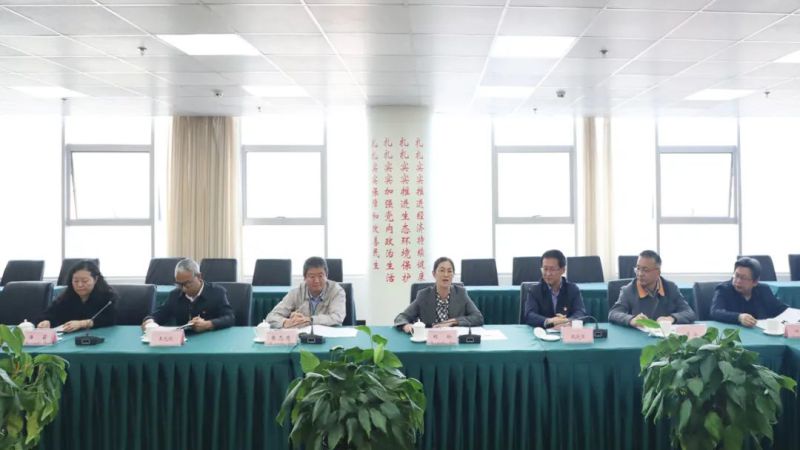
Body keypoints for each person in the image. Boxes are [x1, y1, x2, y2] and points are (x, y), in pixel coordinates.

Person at [142, 258, 234, 332]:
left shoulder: (217, 292)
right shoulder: (175, 295)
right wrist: (149, 321)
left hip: (211, 340)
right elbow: (159, 314)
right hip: (184, 341)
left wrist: (208, 324)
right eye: (179, 284)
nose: (183, 288)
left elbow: (229, 318)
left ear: (199, 276)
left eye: (187, 283)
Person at [395, 256, 484, 333]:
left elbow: (478, 317)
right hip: (430, 341)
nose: (446, 274)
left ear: (453, 275)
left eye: (449, 271)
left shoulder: (460, 293)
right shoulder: (423, 295)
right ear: (434, 274)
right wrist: (406, 326)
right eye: (442, 270)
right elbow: (401, 317)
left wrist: (454, 321)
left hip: (453, 341)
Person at [609, 250, 696, 327]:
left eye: (645, 270)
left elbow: (689, 312)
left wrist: (671, 318)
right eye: (638, 268)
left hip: (663, 336)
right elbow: (613, 313)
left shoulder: (671, 288)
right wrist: (632, 320)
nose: (640, 274)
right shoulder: (628, 290)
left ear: (658, 272)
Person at [37, 260, 116, 332]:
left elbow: (110, 318)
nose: (80, 285)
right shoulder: (66, 297)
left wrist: (82, 323)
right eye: (76, 281)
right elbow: (49, 314)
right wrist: (46, 321)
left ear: (95, 279)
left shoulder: (107, 297)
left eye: (85, 281)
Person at [266, 256, 346, 328]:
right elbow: (271, 317)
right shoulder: (296, 292)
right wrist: (286, 322)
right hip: (302, 336)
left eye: (320, 276)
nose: (316, 280)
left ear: (326, 276)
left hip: (328, 336)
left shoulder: (337, 291)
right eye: (312, 276)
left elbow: (337, 318)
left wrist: (310, 320)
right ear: (305, 278)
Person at [710, 257, 788, 327]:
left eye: (743, 278)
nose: (738, 281)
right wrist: (739, 317)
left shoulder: (763, 289)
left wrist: (793, 313)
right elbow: (716, 312)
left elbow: (779, 308)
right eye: (736, 275)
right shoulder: (724, 289)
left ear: (755, 282)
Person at [523, 249, 586, 328]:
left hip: (566, 331)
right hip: (542, 333)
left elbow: (580, 312)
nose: (548, 273)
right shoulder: (534, 290)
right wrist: (549, 321)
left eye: (552, 269)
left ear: (563, 270)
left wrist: (568, 321)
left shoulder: (572, 289)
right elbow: (529, 315)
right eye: (545, 269)